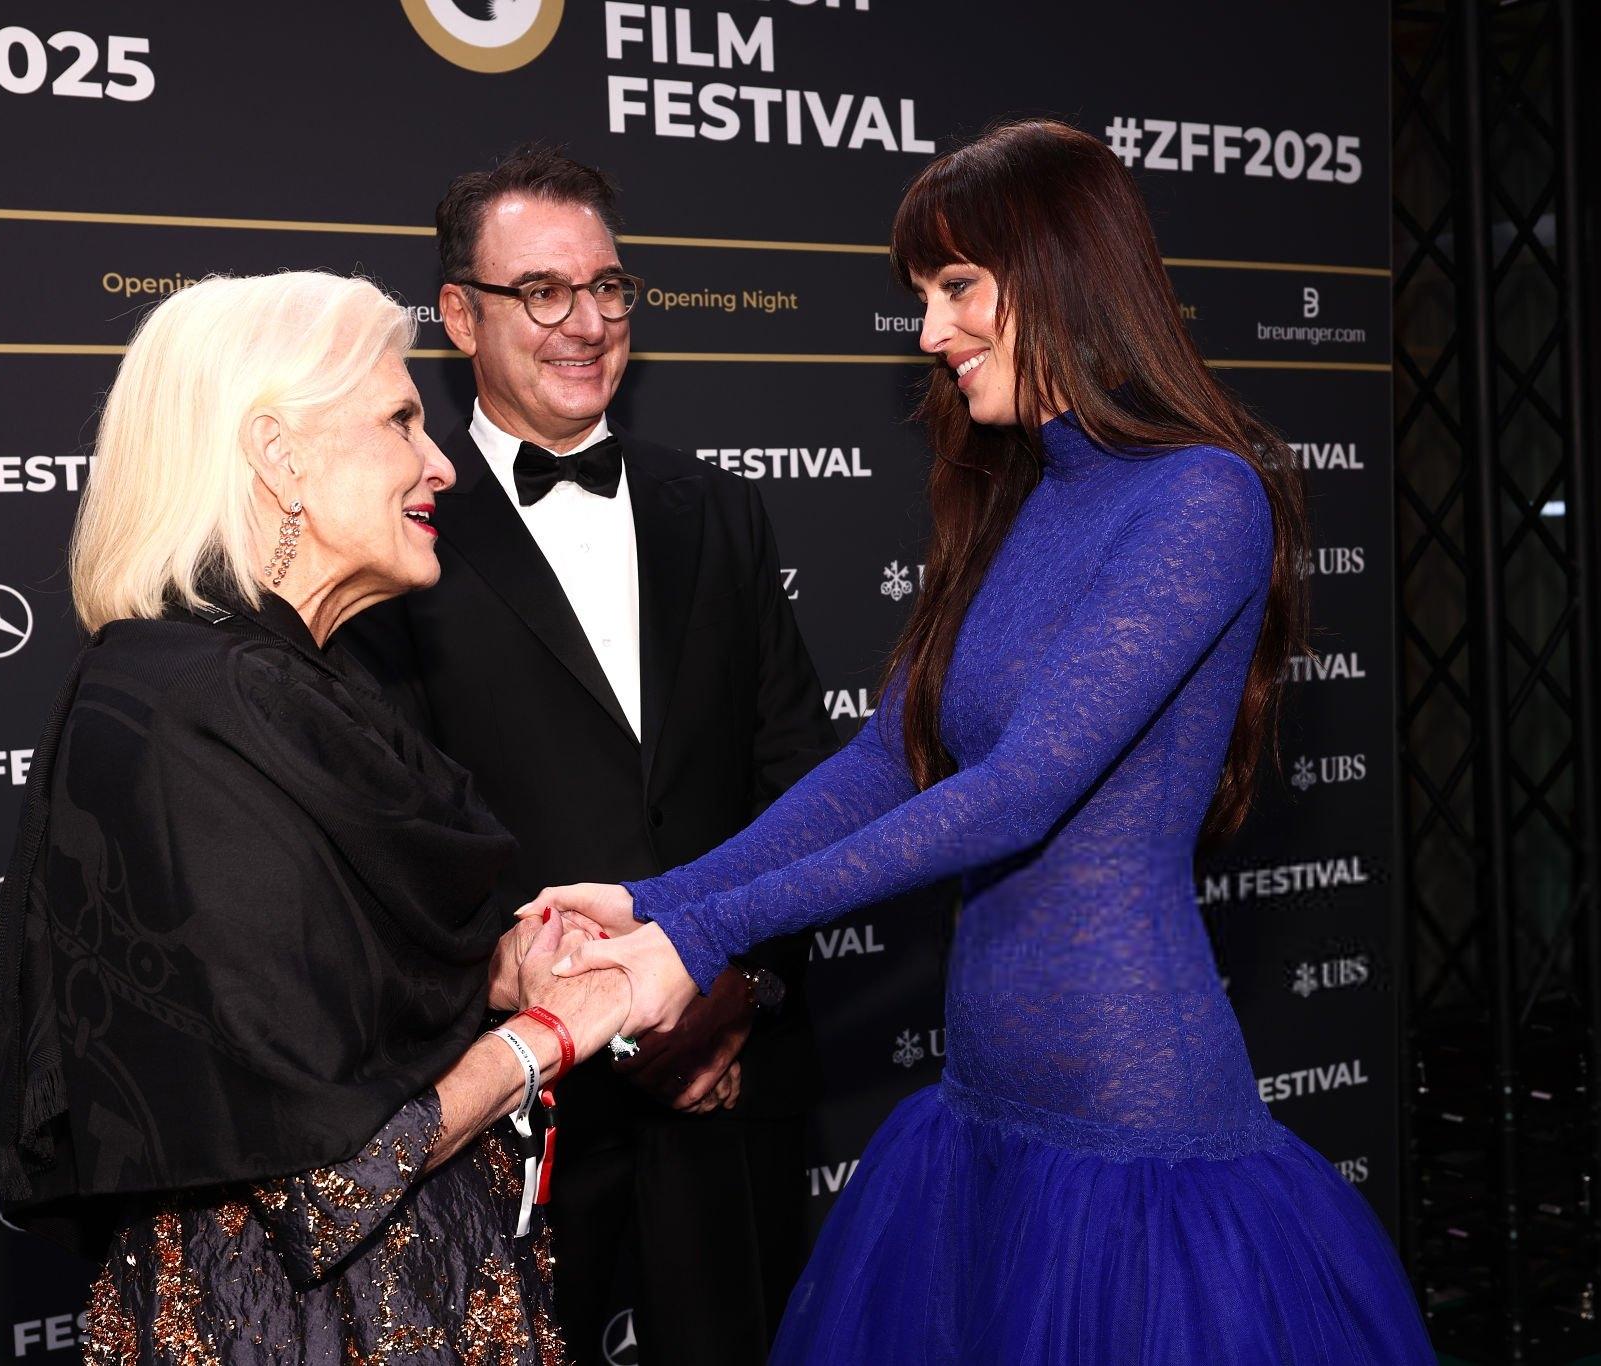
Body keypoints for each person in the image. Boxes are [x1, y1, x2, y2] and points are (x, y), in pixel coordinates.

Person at [534, 120, 1439, 1363]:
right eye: (921, 295)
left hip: (1132, 1119)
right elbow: (879, 762)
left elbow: (1017, 794)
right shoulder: (1018, 493)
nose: (928, 332)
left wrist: (701, 936)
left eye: (956, 288)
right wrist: (660, 896)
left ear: (1067, 271)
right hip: (979, 1113)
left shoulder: (1199, 496)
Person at [0, 270, 632, 1364]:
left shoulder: (288, 685)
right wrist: (551, 1032)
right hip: (304, 1330)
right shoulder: (194, 711)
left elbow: (335, 1007)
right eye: (401, 419)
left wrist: (500, 971)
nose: (440, 462)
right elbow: (327, 1177)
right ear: (279, 455)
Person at [340, 146, 835, 1364]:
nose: (585, 324)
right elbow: (386, 839)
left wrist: (731, 992)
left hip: (722, 1080)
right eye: (541, 292)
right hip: (513, 1118)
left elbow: (797, 778)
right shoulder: (400, 531)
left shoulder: (713, 507)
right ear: (458, 316)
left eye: (607, 288)